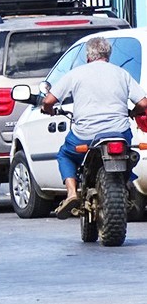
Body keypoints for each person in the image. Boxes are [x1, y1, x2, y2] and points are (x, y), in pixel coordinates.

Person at [41, 36, 147, 219]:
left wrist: (48, 110)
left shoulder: (76, 74)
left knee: (65, 155)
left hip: (85, 136)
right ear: (109, 55)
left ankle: (72, 193)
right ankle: (127, 182)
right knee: (127, 153)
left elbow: (48, 100)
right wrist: (133, 112)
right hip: (119, 133)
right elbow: (144, 104)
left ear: (88, 56)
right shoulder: (121, 74)